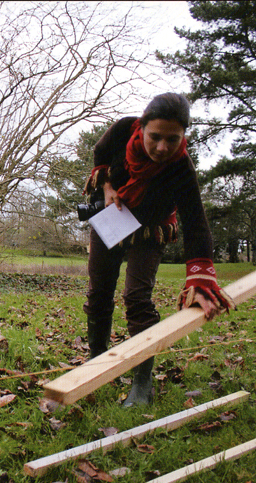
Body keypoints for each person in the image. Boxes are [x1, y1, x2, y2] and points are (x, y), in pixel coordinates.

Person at [82, 92, 235, 407]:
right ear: (141, 127)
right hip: (113, 218)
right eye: (155, 137)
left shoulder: (181, 169)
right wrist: (108, 187)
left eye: (172, 139)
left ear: (183, 137)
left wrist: (201, 276)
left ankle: (142, 382)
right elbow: (101, 153)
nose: (163, 147)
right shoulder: (123, 129)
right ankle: (96, 363)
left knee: (137, 298)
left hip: (151, 230)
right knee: (99, 293)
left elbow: (196, 225)